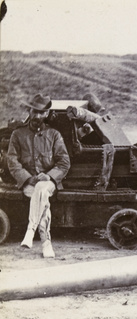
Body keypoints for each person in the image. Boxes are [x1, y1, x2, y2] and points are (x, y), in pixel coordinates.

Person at [7, 93, 71, 258]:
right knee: (41, 197)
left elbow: (64, 163)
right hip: (28, 184)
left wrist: (49, 176)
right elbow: (12, 162)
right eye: (34, 111)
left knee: (42, 189)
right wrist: (28, 178)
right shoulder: (18, 135)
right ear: (29, 111)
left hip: (48, 183)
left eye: (41, 113)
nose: (36, 116)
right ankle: (46, 243)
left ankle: (31, 230)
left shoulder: (54, 135)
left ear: (46, 114)